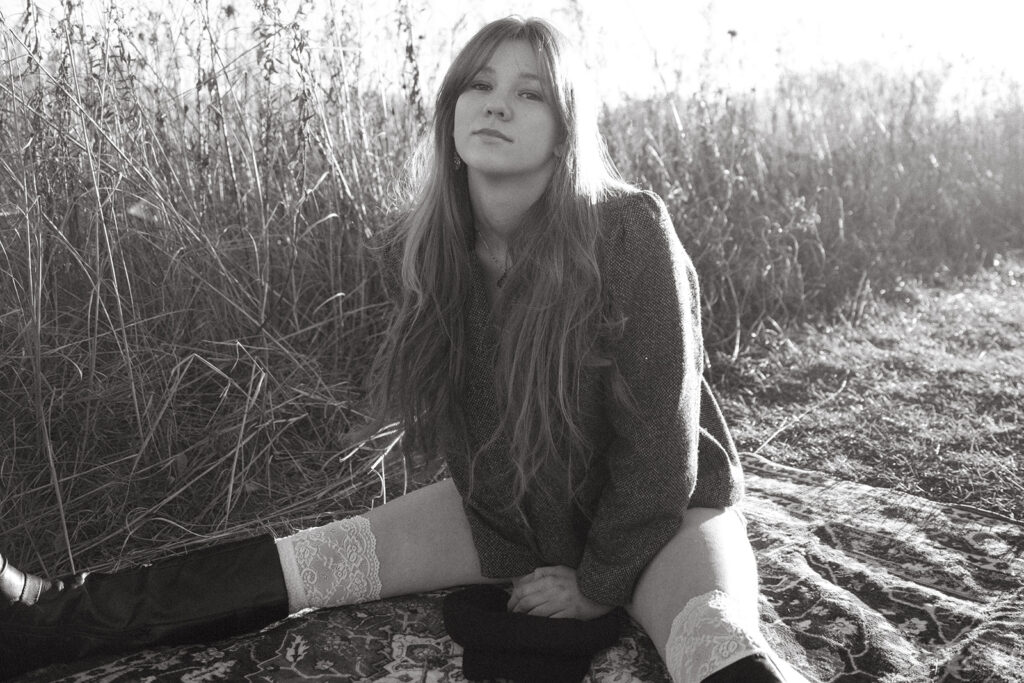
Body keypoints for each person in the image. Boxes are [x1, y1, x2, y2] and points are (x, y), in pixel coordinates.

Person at [0, 16, 805, 683]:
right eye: (479, 86)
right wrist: (515, 540)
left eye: (530, 93)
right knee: (318, 557)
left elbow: (665, 447)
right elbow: (473, 427)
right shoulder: (437, 247)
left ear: (565, 132)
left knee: (713, 639)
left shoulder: (629, 228)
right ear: (451, 116)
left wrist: (598, 582)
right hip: (512, 508)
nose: (498, 105)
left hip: (661, 512)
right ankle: (42, 616)